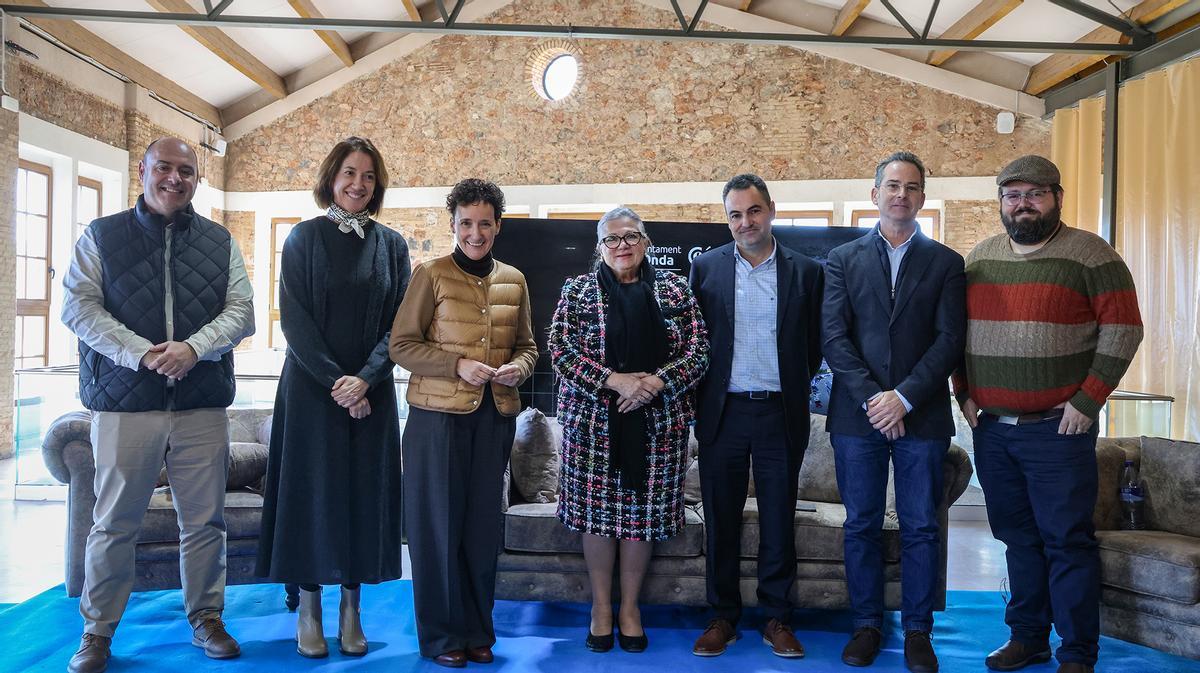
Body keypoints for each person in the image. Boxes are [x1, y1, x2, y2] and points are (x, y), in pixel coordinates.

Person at [61, 137, 255, 673]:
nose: (175, 178)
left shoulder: (219, 242)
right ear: (142, 171)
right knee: (114, 523)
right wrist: (141, 353)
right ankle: (97, 631)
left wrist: (194, 348)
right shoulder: (101, 236)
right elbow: (78, 307)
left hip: (200, 403)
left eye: (186, 170)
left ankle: (206, 618)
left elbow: (242, 312)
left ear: (198, 178)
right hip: (126, 406)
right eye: (164, 168)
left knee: (205, 521)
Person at [954, 155, 1143, 673]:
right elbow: (956, 333)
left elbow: (1124, 328)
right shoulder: (979, 259)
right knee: (1017, 540)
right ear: (1000, 202)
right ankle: (1028, 636)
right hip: (993, 430)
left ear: (1057, 197)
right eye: (1012, 194)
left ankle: (1078, 652)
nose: (1023, 203)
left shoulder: (1090, 254)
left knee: (1066, 541)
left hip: (1058, 431)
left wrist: (1088, 399)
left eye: (1035, 193)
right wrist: (963, 392)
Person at [256, 136, 410, 658]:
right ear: (331, 177)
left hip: (373, 393)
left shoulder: (393, 246)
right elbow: (294, 320)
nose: (358, 184)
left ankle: (352, 609)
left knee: (362, 499)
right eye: (349, 173)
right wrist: (338, 384)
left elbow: (399, 325)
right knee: (311, 497)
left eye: (368, 176)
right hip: (310, 392)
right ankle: (308, 607)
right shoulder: (302, 238)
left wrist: (365, 379)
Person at [822, 151, 966, 672]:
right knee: (860, 523)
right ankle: (866, 625)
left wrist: (903, 397)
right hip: (857, 416)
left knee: (921, 525)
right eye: (892, 186)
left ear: (922, 198)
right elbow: (834, 339)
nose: (901, 194)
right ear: (875, 194)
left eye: (911, 187)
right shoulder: (842, 259)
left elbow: (950, 340)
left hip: (921, 414)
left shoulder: (947, 263)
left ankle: (918, 632)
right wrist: (874, 399)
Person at [389, 178, 538, 668]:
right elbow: (402, 346)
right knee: (436, 529)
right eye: (466, 223)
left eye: (485, 224)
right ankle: (441, 636)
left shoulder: (514, 279)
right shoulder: (429, 274)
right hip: (436, 421)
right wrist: (455, 365)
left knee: (479, 529)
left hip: (493, 418)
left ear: (498, 225)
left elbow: (528, 346)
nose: (476, 233)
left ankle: (477, 630)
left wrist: (520, 367)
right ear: (453, 224)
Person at [549, 207, 709, 654]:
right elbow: (559, 350)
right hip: (593, 428)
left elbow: (699, 352)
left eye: (631, 237)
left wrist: (655, 383)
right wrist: (613, 381)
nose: (622, 245)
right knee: (598, 519)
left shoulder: (676, 291)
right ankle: (601, 608)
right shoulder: (577, 292)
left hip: (658, 427)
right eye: (612, 239)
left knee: (640, 520)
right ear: (599, 247)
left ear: (646, 243)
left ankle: (630, 609)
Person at [688, 173, 824, 658]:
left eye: (754, 211)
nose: (745, 222)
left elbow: (811, 350)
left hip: (778, 414)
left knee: (777, 520)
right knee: (720, 519)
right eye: (735, 215)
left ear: (771, 210)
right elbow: (696, 344)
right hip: (722, 413)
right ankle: (722, 616)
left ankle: (776, 618)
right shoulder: (705, 270)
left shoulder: (807, 273)